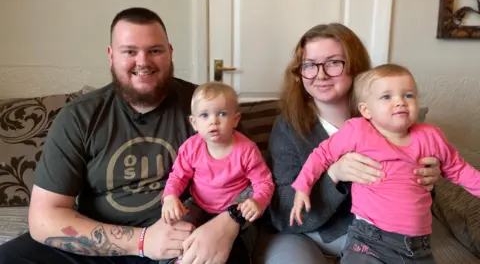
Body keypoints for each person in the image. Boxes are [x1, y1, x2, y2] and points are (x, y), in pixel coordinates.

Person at [0, 7, 247, 264]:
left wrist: (228, 223)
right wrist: (141, 241)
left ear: (170, 52)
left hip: (184, 241)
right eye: (129, 51)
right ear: (111, 55)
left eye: (155, 50)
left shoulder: (209, 108)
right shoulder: (79, 116)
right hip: (101, 243)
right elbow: (44, 218)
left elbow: (254, 180)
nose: (143, 62)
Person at [253, 23, 442, 264]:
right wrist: (335, 174)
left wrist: (427, 179)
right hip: (303, 234)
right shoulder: (288, 126)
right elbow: (283, 213)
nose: (320, 75)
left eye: (333, 62)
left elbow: (415, 203)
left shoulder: (390, 118)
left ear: (355, 67)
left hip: (375, 235)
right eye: (310, 65)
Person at [290, 63, 480, 263]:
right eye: (386, 97)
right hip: (370, 240)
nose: (400, 102)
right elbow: (322, 155)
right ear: (366, 110)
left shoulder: (430, 136)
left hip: (418, 246)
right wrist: (303, 186)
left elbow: (460, 170)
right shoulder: (358, 131)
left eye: (408, 95)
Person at [161, 82, 275, 263]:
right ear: (194, 122)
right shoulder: (191, 147)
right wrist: (169, 197)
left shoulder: (246, 149)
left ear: (236, 120)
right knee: (176, 235)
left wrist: (258, 202)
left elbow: (264, 182)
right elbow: (178, 176)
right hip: (198, 204)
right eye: (205, 115)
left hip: (235, 210)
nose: (213, 121)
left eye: (222, 114)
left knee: (241, 247)